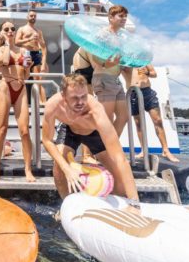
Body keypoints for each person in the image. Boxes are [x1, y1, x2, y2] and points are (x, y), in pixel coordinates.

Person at [41, 73, 139, 203]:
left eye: (84, 96)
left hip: (93, 133)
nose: (81, 102)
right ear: (63, 96)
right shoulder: (53, 105)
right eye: (75, 98)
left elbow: (120, 158)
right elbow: (47, 140)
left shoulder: (96, 111)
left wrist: (134, 203)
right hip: (69, 129)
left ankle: (119, 202)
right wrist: (67, 169)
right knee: (59, 165)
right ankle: (66, 203)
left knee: (119, 180)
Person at [0, 21, 35, 183]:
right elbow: (3, 60)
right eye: (6, 29)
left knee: (24, 131)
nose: (10, 31)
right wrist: (8, 42)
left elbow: (27, 75)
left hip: (21, 88)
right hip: (5, 87)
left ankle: (28, 169)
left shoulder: (24, 50)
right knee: (1, 129)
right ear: (2, 32)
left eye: (12, 29)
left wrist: (28, 67)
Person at [88, 5, 132, 138]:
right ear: (111, 18)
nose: (124, 19)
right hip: (103, 77)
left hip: (115, 79)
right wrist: (106, 63)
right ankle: (103, 151)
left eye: (125, 16)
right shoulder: (103, 34)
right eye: (120, 16)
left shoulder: (120, 36)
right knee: (105, 119)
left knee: (123, 117)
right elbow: (94, 54)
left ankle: (110, 148)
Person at [129, 64, 179, 163]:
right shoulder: (126, 61)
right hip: (133, 93)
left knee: (158, 120)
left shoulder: (144, 60)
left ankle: (165, 150)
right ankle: (144, 150)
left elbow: (154, 74)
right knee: (138, 123)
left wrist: (147, 72)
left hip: (148, 92)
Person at [15, 9, 47, 103]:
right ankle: (19, 99)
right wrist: (29, 39)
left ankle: (41, 101)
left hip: (36, 53)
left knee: (37, 78)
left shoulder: (38, 31)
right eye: (31, 16)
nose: (33, 17)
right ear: (27, 17)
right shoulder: (22, 29)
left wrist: (39, 40)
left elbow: (43, 46)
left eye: (34, 16)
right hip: (26, 53)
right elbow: (16, 42)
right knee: (22, 76)